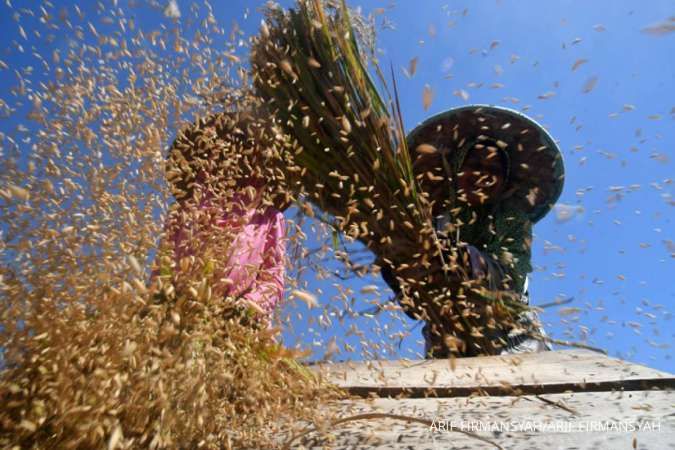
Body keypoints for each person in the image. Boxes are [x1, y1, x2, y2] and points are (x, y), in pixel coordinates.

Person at [381, 105, 565, 358]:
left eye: (494, 170)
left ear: (504, 180)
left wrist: (467, 261)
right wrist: (404, 270)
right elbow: (414, 304)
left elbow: (511, 279)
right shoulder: (434, 221)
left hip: (511, 338)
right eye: (475, 164)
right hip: (447, 341)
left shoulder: (510, 218)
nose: (483, 175)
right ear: (457, 169)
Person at [152, 108, 291, 328]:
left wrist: (246, 307)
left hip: (238, 326)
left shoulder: (269, 218)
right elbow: (164, 266)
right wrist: (162, 299)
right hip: (180, 317)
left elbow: (272, 278)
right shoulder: (184, 211)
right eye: (234, 149)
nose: (241, 160)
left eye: (252, 153)